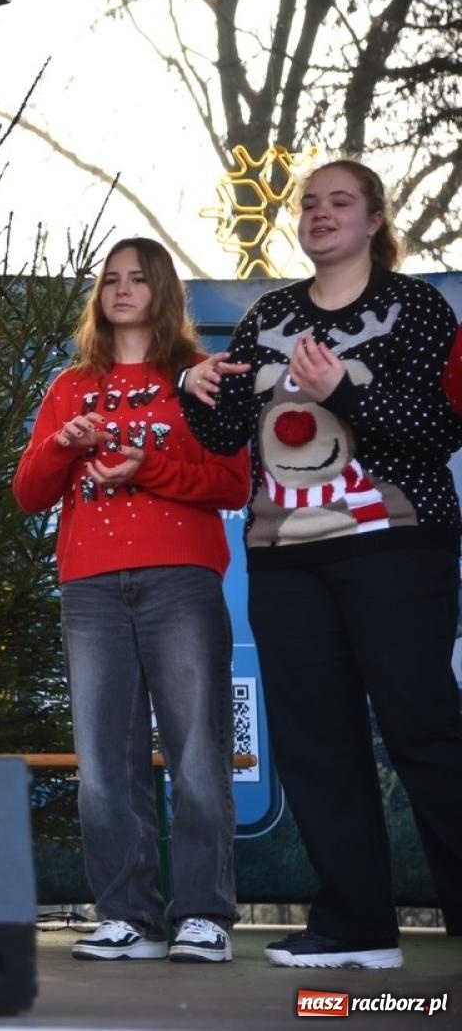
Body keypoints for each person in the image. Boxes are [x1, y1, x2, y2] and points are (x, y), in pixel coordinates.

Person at [181, 159, 462, 969]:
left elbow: (440, 429)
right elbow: (225, 430)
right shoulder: (270, 313)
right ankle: (357, 925)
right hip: (286, 556)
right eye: (309, 203)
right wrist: (193, 383)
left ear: (374, 220)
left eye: (340, 201)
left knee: (422, 727)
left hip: (397, 545)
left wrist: (342, 387)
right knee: (314, 738)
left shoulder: (416, 310)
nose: (320, 213)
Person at [13, 238, 251, 963]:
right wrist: (63, 444)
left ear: (162, 292)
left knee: (197, 751)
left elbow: (232, 484)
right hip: (89, 586)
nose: (121, 290)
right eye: (111, 280)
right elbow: (29, 493)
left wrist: (151, 466)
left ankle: (203, 914)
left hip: (179, 576)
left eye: (138, 279)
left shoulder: (196, 377)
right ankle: (128, 916)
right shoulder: (68, 385)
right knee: (104, 759)